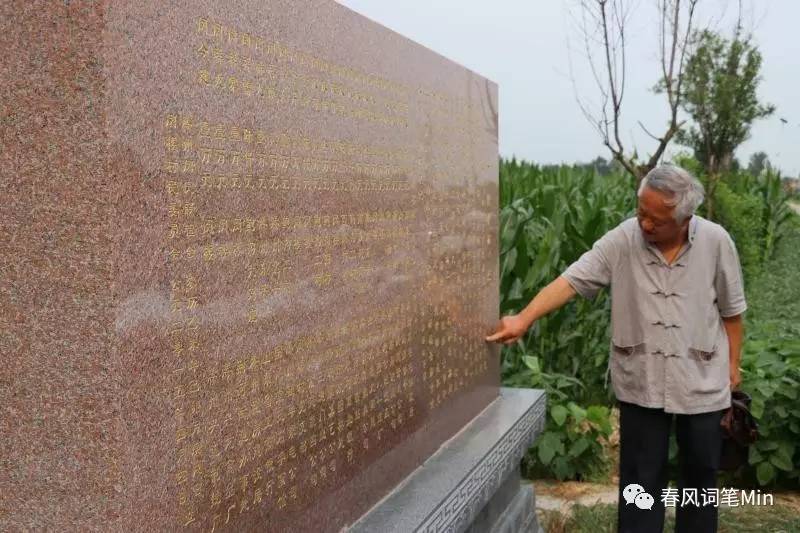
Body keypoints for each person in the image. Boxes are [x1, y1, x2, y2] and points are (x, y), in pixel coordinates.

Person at [485, 164, 746, 533]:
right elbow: (573, 279)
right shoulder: (624, 238)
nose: (645, 225)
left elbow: (732, 311)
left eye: (656, 219)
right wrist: (525, 317)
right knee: (640, 477)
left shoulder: (716, 241)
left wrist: (733, 364)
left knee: (700, 475)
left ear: (685, 218)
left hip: (701, 375)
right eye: (641, 213)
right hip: (641, 377)